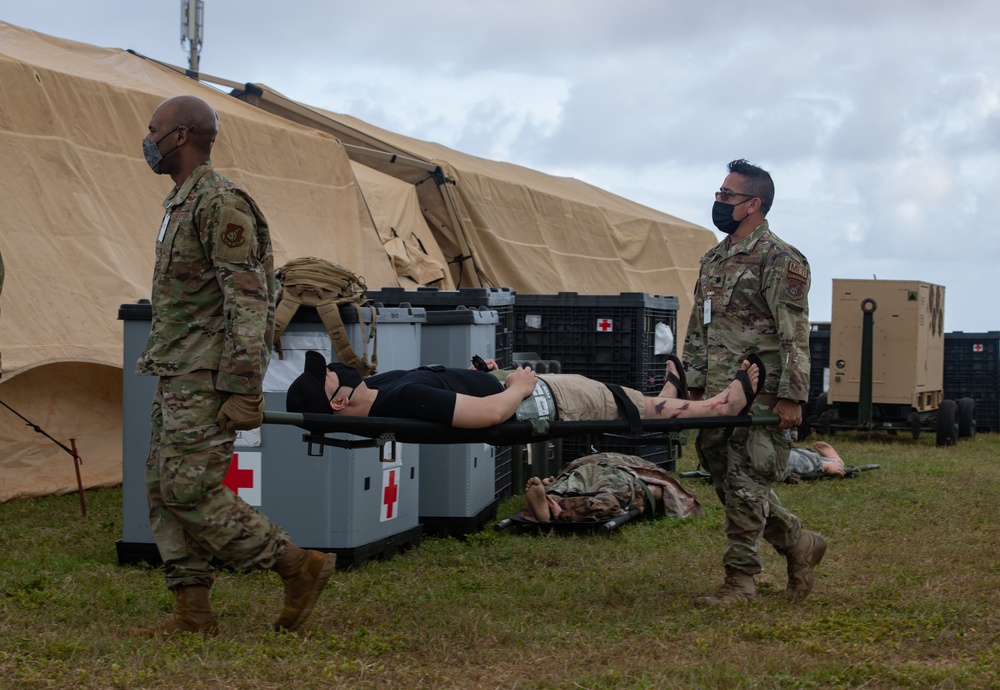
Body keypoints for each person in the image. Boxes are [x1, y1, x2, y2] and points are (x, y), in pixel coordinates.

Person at [131, 95, 335, 637]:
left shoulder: (220, 203)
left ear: (179, 135)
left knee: (188, 488)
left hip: (207, 374)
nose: (146, 140)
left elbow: (248, 301)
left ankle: (295, 565)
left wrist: (244, 387)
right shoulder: (180, 203)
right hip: (177, 370)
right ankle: (193, 613)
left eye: (153, 130)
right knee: (162, 486)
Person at [682, 159, 827, 607]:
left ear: (753, 205)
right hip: (715, 396)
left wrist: (790, 397)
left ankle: (740, 583)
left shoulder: (781, 259)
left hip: (760, 396)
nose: (718, 202)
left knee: (748, 482)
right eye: (718, 194)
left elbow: (794, 332)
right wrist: (691, 384)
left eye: (727, 196)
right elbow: (698, 326)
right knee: (724, 477)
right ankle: (800, 543)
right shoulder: (714, 259)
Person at [285, 351, 764, 429]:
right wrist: (515, 385)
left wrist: (475, 372)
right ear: (339, 401)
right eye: (327, 376)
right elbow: (491, 416)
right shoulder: (400, 400)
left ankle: (668, 389)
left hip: (530, 388)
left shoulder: (377, 387)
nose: (333, 367)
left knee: (616, 392)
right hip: (545, 400)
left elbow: (455, 391)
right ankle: (719, 405)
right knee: (625, 404)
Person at [521, 452, 703, 523]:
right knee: (610, 498)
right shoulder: (646, 468)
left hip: (582, 466)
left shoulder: (589, 459)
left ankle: (551, 496)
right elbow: (661, 487)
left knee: (568, 484)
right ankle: (558, 507)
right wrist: (651, 496)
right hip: (619, 473)